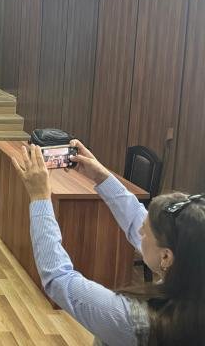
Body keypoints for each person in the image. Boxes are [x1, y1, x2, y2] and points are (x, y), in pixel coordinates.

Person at [13, 140, 205, 346]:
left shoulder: (135, 320)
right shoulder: (193, 278)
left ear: (166, 257)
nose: (140, 231)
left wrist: (40, 198)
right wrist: (101, 176)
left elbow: (59, 280)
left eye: (146, 232)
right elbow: (136, 219)